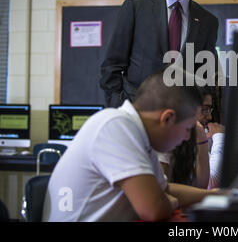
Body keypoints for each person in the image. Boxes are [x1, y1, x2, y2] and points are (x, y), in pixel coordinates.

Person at [42, 68, 218, 222]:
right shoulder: (116, 126)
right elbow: (153, 209)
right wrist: (167, 199)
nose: (187, 137)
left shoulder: (139, 135)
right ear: (167, 118)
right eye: (188, 128)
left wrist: (214, 196)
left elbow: (165, 189)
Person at [100, 0, 219, 108]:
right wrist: (119, 106)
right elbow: (111, 66)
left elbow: (205, 74)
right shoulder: (135, 7)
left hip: (179, 117)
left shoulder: (207, 21)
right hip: (136, 111)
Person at [159, 88, 225, 190]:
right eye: (204, 110)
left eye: (209, 110)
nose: (210, 117)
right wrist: (220, 137)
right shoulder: (165, 138)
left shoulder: (196, 135)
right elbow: (210, 185)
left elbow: (201, 184)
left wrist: (202, 139)